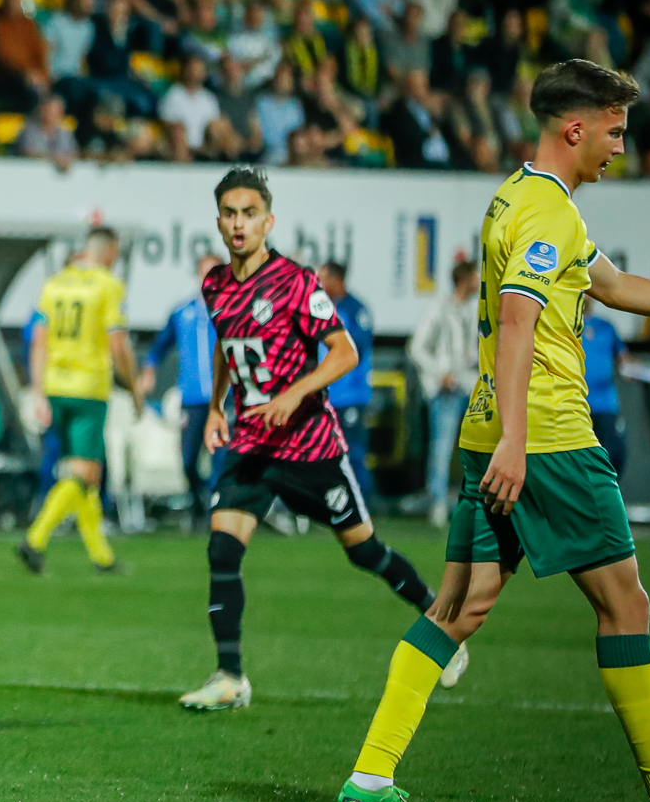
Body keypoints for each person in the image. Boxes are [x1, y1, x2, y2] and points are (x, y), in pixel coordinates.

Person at [336, 59, 650, 802]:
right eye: (615, 131)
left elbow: (612, 285)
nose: (621, 147)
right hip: (548, 439)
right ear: (576, 127)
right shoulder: (548, 214)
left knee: (458, 605)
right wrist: (519, 443)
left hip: (487, 430)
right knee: (626, 604)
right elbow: (519, 322)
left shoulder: (518, 199)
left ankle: (369, 775)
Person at [184, 168, 455, 712]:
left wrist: (293, 395)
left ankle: (443, 626)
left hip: (310, 446)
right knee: (222, 548)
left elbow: (344, 352)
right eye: (230, 214)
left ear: (268, 221)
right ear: (218, 221)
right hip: (251, 445)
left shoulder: (295, 281)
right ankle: (230, 676)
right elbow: (225, 344)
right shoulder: (215, 284)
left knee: (365, 551)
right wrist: (216, 406)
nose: (239, 224)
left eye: (249, 213)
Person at [17, 227, 138, 575]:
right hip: (89, 388)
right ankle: (35, 539)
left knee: (88, 473)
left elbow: (38, 340)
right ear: (109, 251)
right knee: (83, 472)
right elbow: (118, 344)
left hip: (55, 386)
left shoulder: (54, 284)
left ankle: (102, 557)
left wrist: (38, 392)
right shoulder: (108, 285)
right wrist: (134, 387)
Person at [142, 253, 220, 528]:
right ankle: (199, 504)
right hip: (192, 398)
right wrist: (149, 369)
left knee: (221, 458)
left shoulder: (233, 310)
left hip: (225, 399)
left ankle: (216, 513)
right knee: (187, 459)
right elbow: (159, 346)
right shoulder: (183, 312)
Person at [410, 259, 479, 526]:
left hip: (471, 385)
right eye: (475, 277)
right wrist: (440, 374)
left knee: (480, 446)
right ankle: (438, 502)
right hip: (445, 390)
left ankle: (479, 501)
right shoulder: (438, 309)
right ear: (464, 280)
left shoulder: (474, 310)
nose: (479, 282)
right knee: (442, 447)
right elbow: (416, 348)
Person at [319, 261, 377, 508]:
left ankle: (363, 502)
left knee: (353, 452)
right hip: (323, 395)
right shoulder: (319, 308)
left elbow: (357, 350)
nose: (319, 283)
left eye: (323, 278)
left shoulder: (355, 310)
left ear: (337, 279)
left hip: (350, 395)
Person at [582, 296, 630, 476]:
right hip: (575, 405)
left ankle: (608, 491)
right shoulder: (562, 327)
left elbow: (624, 361)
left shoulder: (606, 326)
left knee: (614, 454)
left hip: (606, 404)